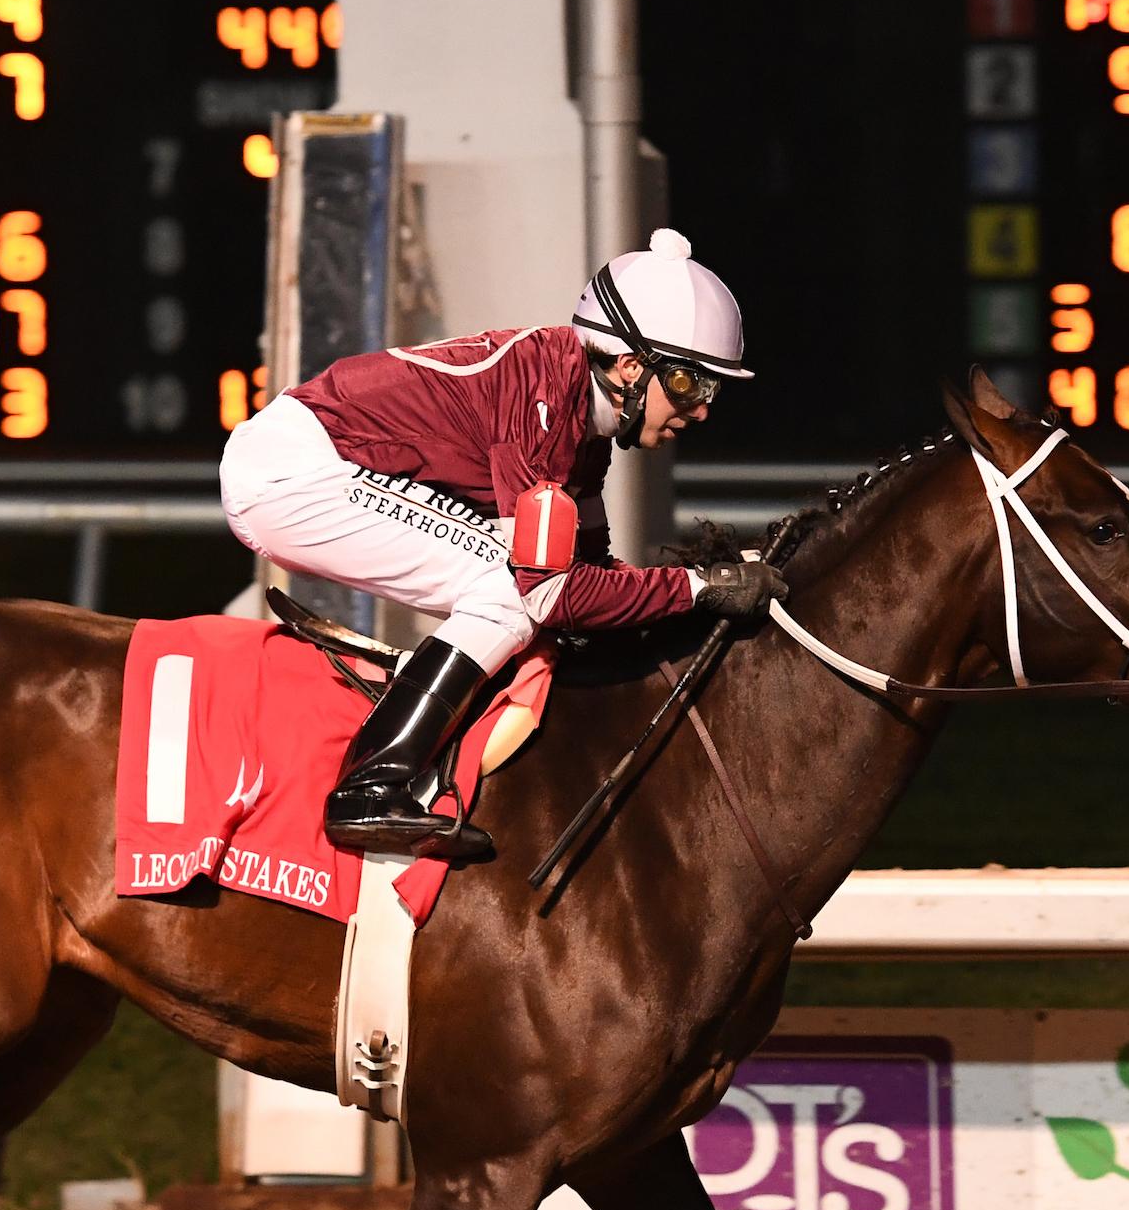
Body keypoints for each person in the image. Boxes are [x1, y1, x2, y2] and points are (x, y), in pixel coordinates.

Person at [218, 229, 787, 861]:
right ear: (631, 367)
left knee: (531, 592)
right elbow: (550, 593)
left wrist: (690, 594)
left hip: (311, 465)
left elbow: (593, 574)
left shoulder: (582, 429)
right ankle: (369, 787)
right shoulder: (545, 396)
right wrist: (701, 588)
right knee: (511, 593)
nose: (702, 410)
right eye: (689, 385)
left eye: (711, 390)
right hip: (295, 472)